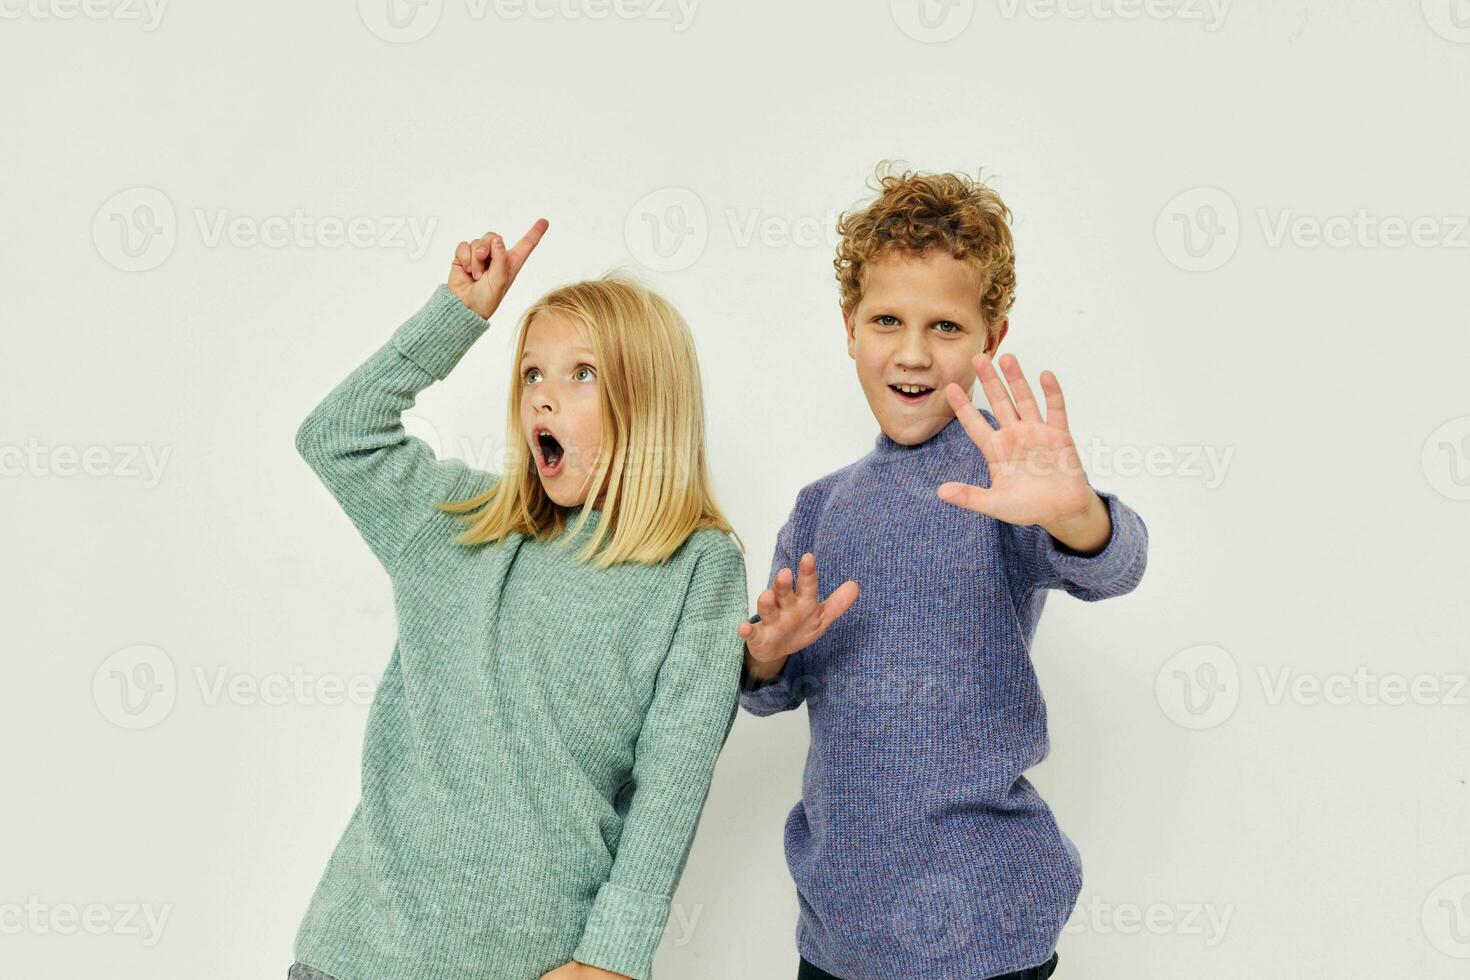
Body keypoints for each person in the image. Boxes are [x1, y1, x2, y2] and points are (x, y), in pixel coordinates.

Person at [288, 221, 749, 980]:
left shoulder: (695, 568)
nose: (543, 397)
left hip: (533, 966)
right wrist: (456, 316)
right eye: (532, 374)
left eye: (582, 374)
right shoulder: (458, 523)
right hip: (357, 957)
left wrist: (612, 958)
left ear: (649, 399)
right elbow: (335, 435)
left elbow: (673, 784)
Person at [738, 166, 1149, 980]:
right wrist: (766, 654)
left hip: (989, 936)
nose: (914, 353)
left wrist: (1075, 515)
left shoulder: (1008, 480)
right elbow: (767, 694)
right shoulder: (821, 506)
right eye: (888, 320)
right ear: (849, 327)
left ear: (992, 336)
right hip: (839, 939)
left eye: (948, 327)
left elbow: (1117, 567)